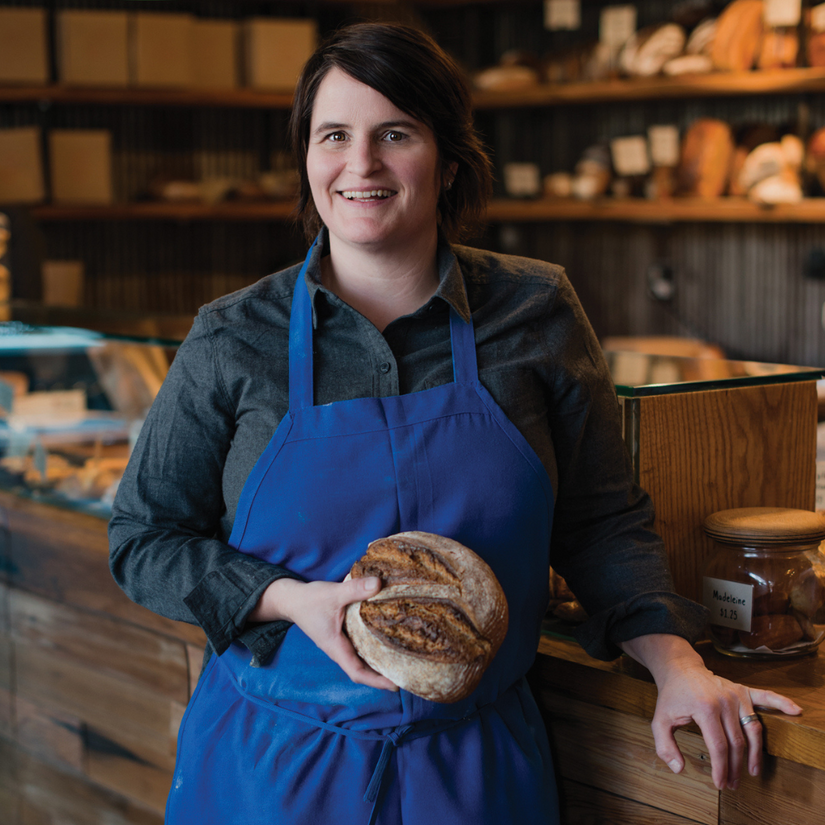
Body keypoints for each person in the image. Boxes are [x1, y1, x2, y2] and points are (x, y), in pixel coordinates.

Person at [108, 22, 801, 825]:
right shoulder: (234, 335)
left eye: (394, 133)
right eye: (334, 135)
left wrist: (674, 661)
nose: (360, 164)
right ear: (306, 157)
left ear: (446, 159)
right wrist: (285, 599)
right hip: (272, 769)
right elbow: (143, 538)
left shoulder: (534, 310)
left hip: (477, 774)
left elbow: (600, 520)